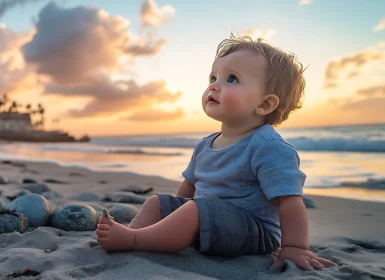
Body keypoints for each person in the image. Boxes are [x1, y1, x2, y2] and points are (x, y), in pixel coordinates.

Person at [95, 34, 336, 271]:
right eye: (213, 77)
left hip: (254, 232)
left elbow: (289, 201)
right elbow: (189, 186)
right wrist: (173, 215)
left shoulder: (268, 147)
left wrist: (295, 247)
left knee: (194, 209)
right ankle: (137, 233)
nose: (214, 85)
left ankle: (135, 241)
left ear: (264, 104)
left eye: (231, 79)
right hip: (206, 219)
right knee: (156, 202)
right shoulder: (205, 144)